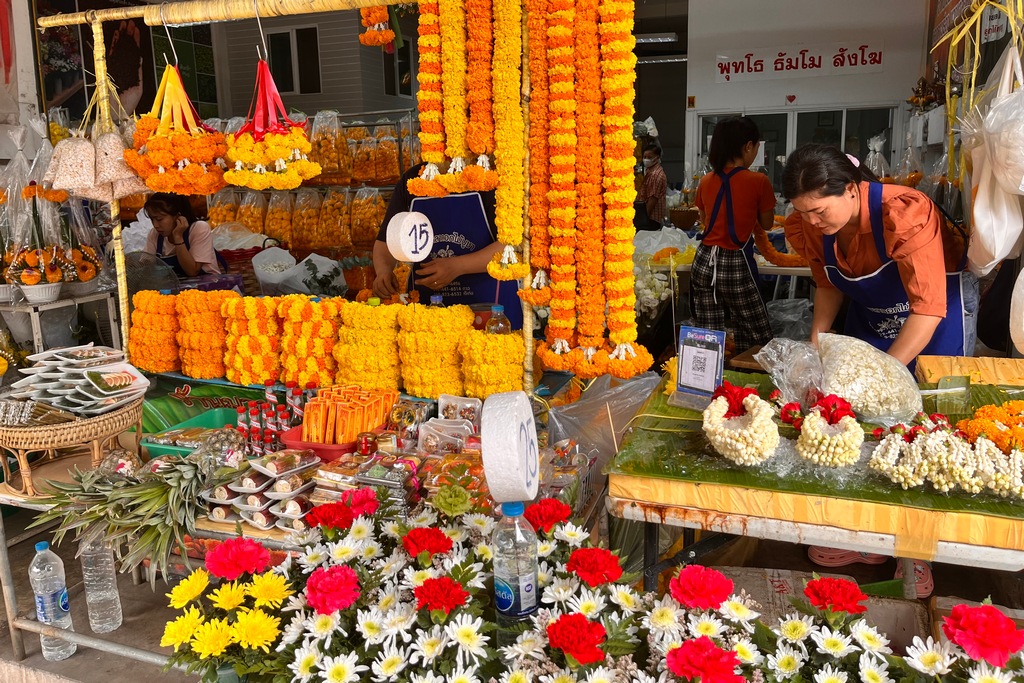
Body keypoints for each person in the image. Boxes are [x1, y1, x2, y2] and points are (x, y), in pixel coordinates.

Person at [782, 143, 977, 366]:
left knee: (927, 392)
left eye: (819, 212)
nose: (812, 222)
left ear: (851, 190)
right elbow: (828, 285)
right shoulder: (813, 223)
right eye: (802, 213)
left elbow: (927, 307)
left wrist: (885, 373)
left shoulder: (904, 213)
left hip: (936, 317)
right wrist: (814, 346)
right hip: (874, 320)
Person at [372, 163, 523, 328]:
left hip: (491, 308)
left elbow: (511, 246)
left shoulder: (488, 177)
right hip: (429, 309)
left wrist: (459, 266)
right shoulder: (412, 179)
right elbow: (386, 240)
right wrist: (383, 271)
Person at [692, 116, 776, 352]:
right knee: (755, 332)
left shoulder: (706, 181)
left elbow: (703, 220)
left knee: (707, 334)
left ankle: (705, 382)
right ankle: (750, 381)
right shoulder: (759, 180)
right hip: (735, 262)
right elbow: (767, 223)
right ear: (748, 146)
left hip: (704, 260)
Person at [143, 193, 221, 277]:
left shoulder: (199, 228)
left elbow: (192, 271)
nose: (155, 225)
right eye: (152, 219)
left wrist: (178, 237)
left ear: (178, 216)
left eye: (159, 219)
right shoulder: (155, 234)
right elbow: (145, 268)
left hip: (207, 287)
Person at [637, 142, 668, 228]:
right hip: (650, 218)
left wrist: (643, 219)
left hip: (651, 219)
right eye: (644, 157)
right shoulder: (650, 171)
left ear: (657, 158)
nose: (646, 159)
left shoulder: (655, 175)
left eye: (649, 157)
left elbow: (652, 199)